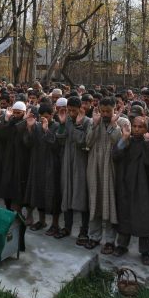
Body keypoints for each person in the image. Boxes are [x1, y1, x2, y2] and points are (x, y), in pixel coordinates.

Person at [84, 97, 131, 253]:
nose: (105, 114)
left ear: (114, 109)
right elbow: (88, 142)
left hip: (112, 167)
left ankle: (110, 241)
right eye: (102, 111)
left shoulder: (123, 122)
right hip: (94, 165)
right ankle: (94, 237)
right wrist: (95, 124)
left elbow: (121, 143)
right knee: (94, 201)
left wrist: (113, 125)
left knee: (110, 203)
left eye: (108, 111)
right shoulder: (93, 121)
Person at [112, 115, 149, 262]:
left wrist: (147, 143)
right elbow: (115, 156)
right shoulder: (127, 140)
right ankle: (122, 245)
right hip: (125, 183)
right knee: (124, 214)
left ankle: (145, 251)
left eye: (140, 127)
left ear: (146, 129)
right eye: (135, 126)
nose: (137, 130)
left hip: (142, 185)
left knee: (143, 217)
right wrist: (124, 138)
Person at [57, 96, 91, 243]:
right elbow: (60, 140)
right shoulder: (68, 121)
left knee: (82, 195)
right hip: (67, 162)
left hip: (81, 163)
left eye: (74, 111)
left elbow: (83, 141)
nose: (71, 113)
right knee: (67, 193)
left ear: (80, 109)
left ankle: (84, 231)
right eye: (69, 110)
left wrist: (77, 125)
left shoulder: (87, 122)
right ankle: (67, 227)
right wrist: (62, 124)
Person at [23, 103, 62, 235]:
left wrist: (46, 130)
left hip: (52, 165)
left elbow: (56, 146)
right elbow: (28, 143)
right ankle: (41, 220)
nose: (44, 119)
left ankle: (55, 224)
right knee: (38, 192)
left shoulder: (57, 126)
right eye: (42, 117)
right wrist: (29, 128)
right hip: (38, 163)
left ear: (52, 115)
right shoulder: (36, 126)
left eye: (47, 116)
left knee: (53, 195)